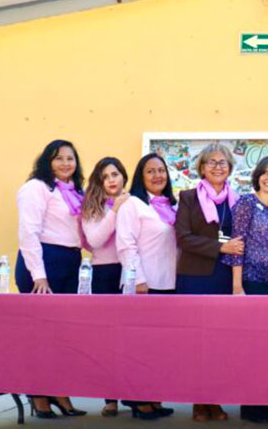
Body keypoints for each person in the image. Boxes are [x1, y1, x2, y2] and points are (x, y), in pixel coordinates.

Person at [15, 140, 88, 419]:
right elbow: (28, 234)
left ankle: (60, 391)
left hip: (70, 261)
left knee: (64, 335)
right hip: (43, 263)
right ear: (47, 161)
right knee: (40, 335)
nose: (66, 164)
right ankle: (38, 396)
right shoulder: (36, 188)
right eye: (59, 158)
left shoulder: (73, 192)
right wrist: (40, 276)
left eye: (71, 159)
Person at [174, 143, 243, 421]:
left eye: (223, 162)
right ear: (201, 167)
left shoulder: (238, 199)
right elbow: (183, 237)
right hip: (194, 277)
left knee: (220, 343)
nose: (218, 167)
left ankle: (215, 400)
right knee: (195, 343)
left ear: (230, 168)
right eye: (212, 162)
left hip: (225, 277)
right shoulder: (189, 197)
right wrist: (219, 247)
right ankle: (198, 402)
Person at [227, 155, 268, 424]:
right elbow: (237, 244)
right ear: (258, 176)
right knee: (254, 346)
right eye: (265, 172)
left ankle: (266, 401)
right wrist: (237, 285)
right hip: (252, 282)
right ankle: (251, 406)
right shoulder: (246, 203)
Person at [116, 153, 177, 419]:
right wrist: (137, 279)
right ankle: (137, 400)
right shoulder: (133, 205)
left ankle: (153, 397)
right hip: (143, 285)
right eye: (150, 171)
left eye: (161, 170)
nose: (157, 176)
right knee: (138, 347)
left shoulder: (171, 206)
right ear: (141, 177)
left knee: (159, 348)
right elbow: (125, 244)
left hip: (168, 284)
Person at [80, 157, 130, 417]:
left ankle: (140, 395)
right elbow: (96, 240)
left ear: (123, 176)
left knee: (132, 338)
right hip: (105, 273)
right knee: (109, 339)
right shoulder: (94, 207)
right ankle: (111, 398)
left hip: (131, 272)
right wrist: (114, 210)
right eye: (105, 176)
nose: (111, 180)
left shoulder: (134, 202)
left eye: (115, 174)